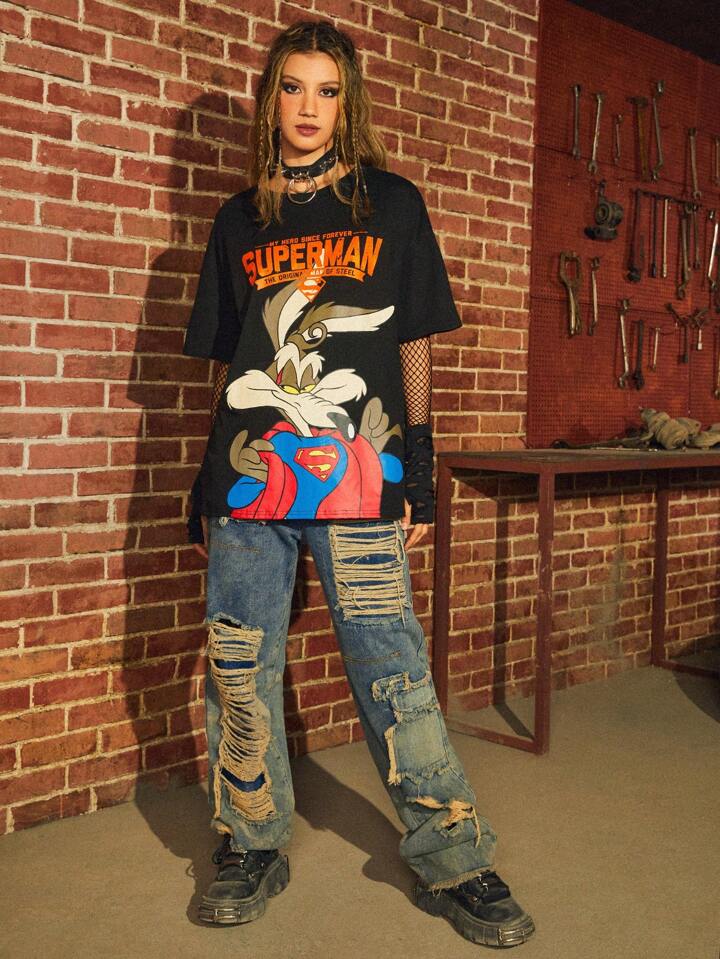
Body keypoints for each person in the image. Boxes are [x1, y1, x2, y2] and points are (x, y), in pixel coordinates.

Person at [182, 19, 534, 949]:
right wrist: (203, 480)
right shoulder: (237, 220)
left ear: (349, 102)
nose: (308, 108)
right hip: (249, 483)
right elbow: (228, 364)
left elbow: (412, 339)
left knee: (391, 664)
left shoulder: (392, 204)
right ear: (272, 100)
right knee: (239, 664)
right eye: (292, 88)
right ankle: (251, 841)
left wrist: (419, 464)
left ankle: (453, 853)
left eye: (327, 90)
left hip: (360, 476)